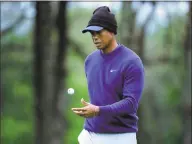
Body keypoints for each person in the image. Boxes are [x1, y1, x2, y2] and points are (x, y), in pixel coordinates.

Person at [71, 6, 145, 144]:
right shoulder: (90, 61)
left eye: (98, 32)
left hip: (120, 137)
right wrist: (94, 110)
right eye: (91, 33)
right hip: (90, 134)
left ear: (111, 31)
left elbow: (131, 104)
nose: (94, 37)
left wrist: (98, 110)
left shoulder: (131, 62)